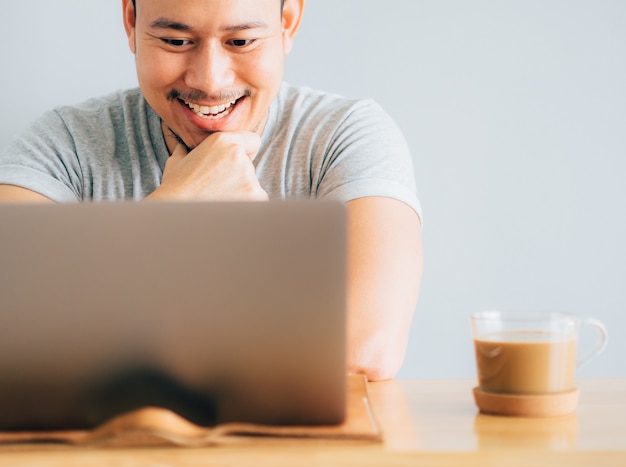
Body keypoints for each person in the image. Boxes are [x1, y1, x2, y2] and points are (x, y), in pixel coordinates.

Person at [0, 0, 423, 381]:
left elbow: (367, 348)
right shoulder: (65, 143)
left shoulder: (345, 136)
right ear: (131, 22)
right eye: (175, 40)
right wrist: (173, 212)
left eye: (240, 40)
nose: (209, 80)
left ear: (287, 22)